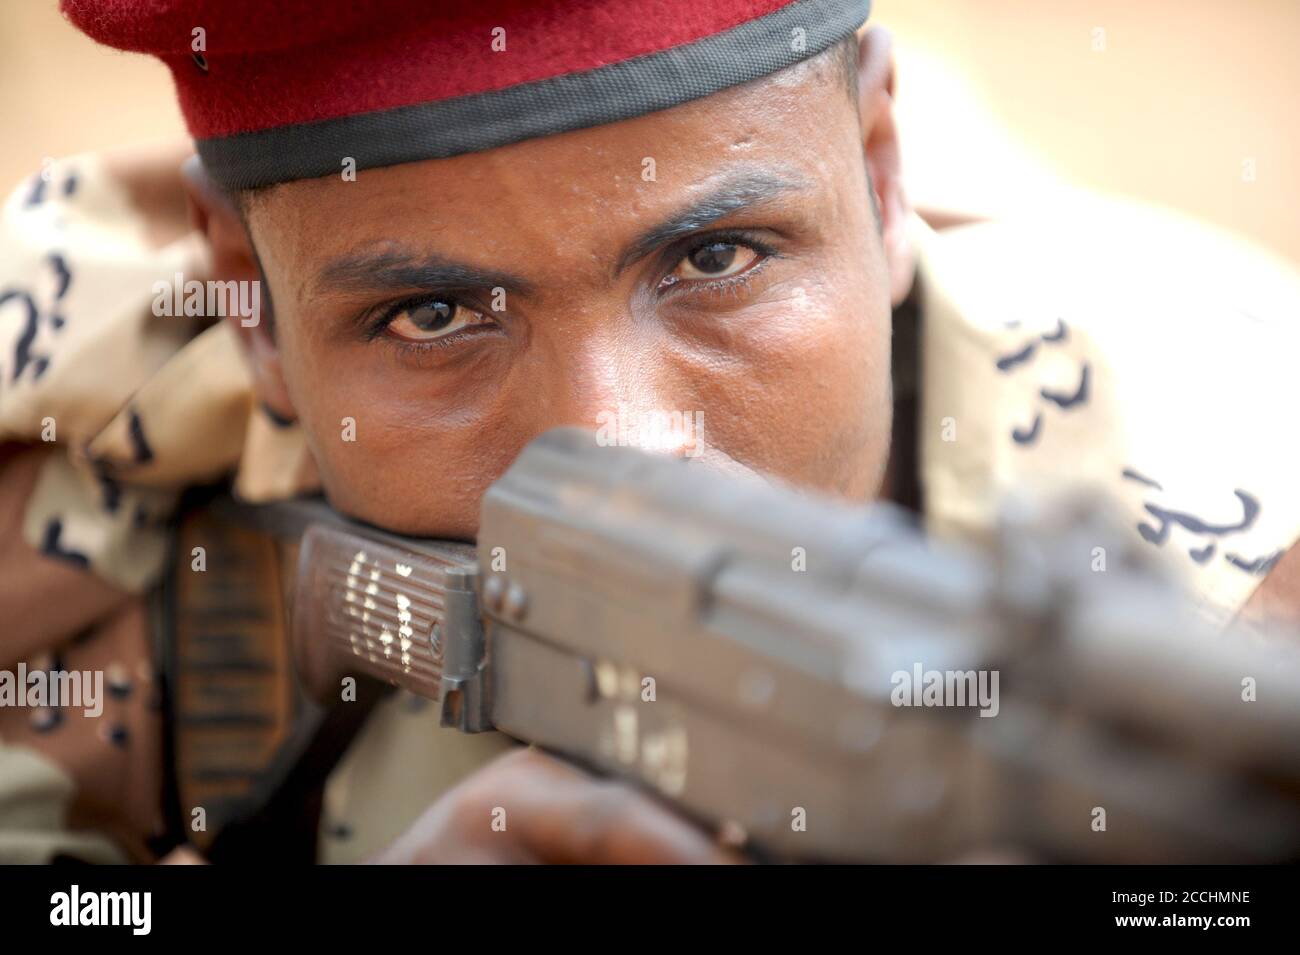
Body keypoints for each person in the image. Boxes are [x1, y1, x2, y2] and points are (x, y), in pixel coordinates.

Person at [1, 0, 1297, 864]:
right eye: (435, 314)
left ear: (884, 168)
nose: (616, 442)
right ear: (253, 310)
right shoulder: (87, 501)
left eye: (719, 257)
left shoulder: (1252, 562)